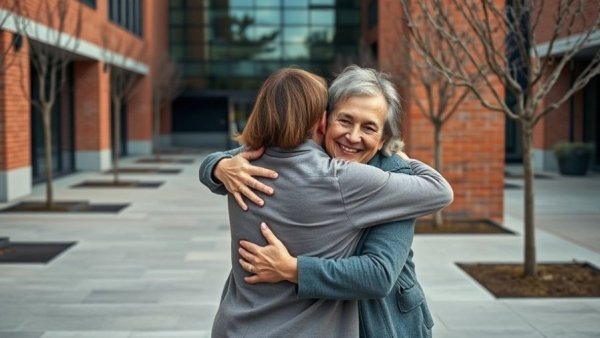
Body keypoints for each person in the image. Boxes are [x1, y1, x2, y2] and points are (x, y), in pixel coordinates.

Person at [199, 67, 453, 337]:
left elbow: (378, 274)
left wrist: (294, 269)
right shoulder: (311, 153)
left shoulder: (396, 181)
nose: (353, 137)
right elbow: (241, 154)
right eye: (344, 121)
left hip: (381, 321)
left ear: (383, 139)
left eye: (368, 127)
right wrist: (219, 166)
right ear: (323, 121)